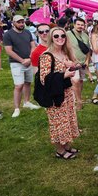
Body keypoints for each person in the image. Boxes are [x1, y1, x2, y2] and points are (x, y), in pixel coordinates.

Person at [38, 27, 80, 159]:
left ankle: (67, 146)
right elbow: (44, 79)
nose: (60, 38)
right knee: (58, 122)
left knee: (67, 119)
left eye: (62, 35)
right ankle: (59, 150)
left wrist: (71, 66)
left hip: (66, 92)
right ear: (51, 38)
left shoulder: (64, 53)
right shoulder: (47, 56)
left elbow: (69, 70)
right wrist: (63, 75)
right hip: (54, 95)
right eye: (56, 36)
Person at [3, 15, 41, 118]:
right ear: (13, 23)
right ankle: (16, 108)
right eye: (18, 22)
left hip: (28, 61)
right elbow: (8, 51)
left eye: (22, 22)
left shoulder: (27, 32)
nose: (21, 24)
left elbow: (33, 46)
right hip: (16, 63)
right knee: (18, 85)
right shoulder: (8, 35)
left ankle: (27, 102)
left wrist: (29, 58)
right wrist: (22, 60)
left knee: (28, 82)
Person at [67, 18, 92, 110]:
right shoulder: (68, 34)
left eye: (82, 25)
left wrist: (87, 61)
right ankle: (77, 101)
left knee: (81, 81)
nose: (80, 26)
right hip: (73, 63)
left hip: (83, 63)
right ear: (74, 25)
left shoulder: (85, 35)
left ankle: (78, 98)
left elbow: (88, 50)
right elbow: (65, 48)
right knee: (75, 81)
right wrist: (71, 60)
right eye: (78, 24)